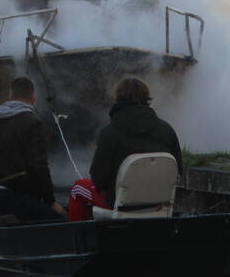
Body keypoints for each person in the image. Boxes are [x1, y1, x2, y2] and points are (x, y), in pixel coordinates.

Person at [67, 77, 182, 220]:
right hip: (157, 203)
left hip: (117, 202)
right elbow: (178, 170)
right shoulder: (167, 130)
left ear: (118, 98)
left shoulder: (109, 132)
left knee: (78, 188)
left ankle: (78, 238)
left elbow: (98, 178)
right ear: (147, 98)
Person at [0, 76, 67, 221]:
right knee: (57, 220)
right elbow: (38, 167)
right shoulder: (33, 123)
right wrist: (50, 202)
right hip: (7, 197)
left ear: (10, 96)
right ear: (33, 99)